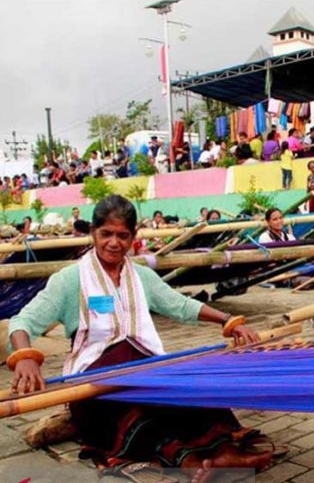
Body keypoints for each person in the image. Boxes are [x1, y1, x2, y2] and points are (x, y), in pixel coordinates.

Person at [7, 195, 273, 480]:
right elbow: (23, 321)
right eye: (106, 234)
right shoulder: (70, 279)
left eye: (123, 235)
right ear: (92, 234)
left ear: (134, 237)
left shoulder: (142, 277)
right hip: (93, 383)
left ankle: (223, 453)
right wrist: (25, 358)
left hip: (144, 371)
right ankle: (188, 459)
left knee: (191, 387)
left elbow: (180, 305)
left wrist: (229, 322)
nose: (114, 242)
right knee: (132, 411)